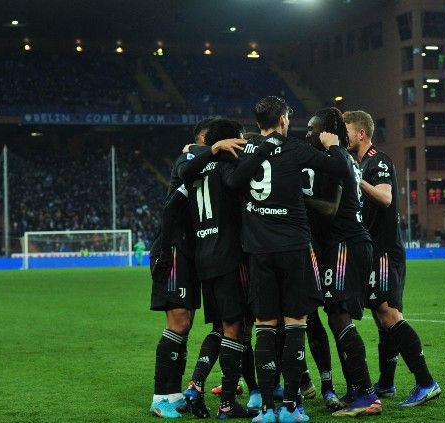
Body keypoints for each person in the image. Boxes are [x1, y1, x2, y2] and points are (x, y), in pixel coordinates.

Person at [229, 96, 350, 423]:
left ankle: (268, 409)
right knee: (297, 323)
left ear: (258, 123)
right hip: (294, 247)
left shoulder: (249, 151)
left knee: (265, 325)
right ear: (283, 119)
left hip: (259, 250)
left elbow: (233, 183)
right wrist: (333, 144)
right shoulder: (296, 149)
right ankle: (294, 407)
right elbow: (341, 167)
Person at [344, 110, 440, 409]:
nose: (344, 135)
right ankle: (386, 383)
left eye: (346, 130)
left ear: (361, 133)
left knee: (388, 313)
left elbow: (385, 197)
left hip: (385, 251)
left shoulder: (378, 160)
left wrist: (357, 180)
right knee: (379, 316)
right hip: (373, 251)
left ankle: (426, 382)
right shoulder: (363, 163)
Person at [178, 119, 260, 419]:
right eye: (238, 139)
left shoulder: (195, 168)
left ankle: (196, 385)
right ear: (229, 141)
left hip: (204, 257)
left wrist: (206, 151)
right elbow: (237, 183)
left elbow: (183, 171)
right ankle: (227, 403)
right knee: (235, 329)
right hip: (228, 257)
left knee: (218, 329)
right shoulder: (226, 165)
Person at [303, 107, 378, 416]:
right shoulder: (336, 159)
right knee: (335, 313)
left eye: (312, 129)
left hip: (347, 243)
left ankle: (367, 395)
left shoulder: (337, 159)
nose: (307, 134)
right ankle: (357, 390)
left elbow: (332, 209)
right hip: (346, 243)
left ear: (326, 132)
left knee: (339, 316)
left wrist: (295, 198)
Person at [148, 118, 213, 419]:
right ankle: (160, 397)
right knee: (177, 321)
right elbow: (171, 208)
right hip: (172, 249)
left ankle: (173, 393)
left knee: (185, 322)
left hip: (188, 251)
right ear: (204, 138)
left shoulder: (200, 160)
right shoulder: (189, 157)